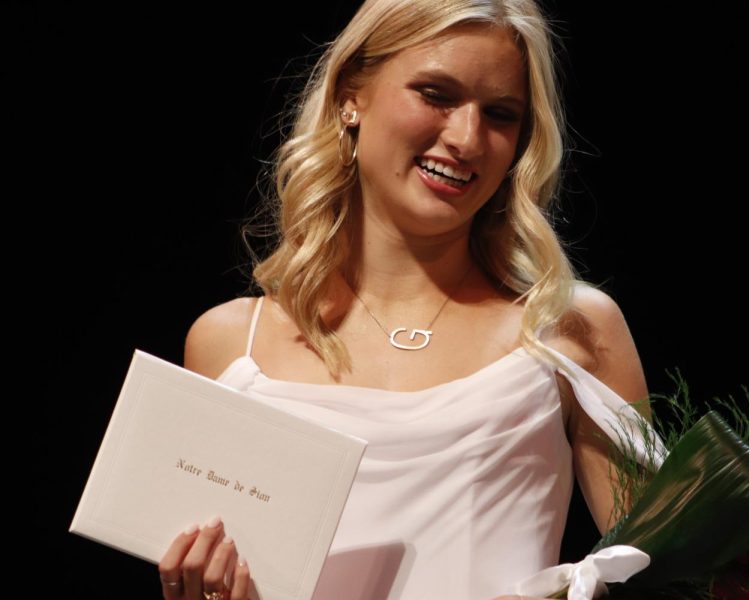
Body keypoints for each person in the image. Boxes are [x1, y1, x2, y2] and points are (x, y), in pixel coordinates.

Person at [157, 1, 653, 598]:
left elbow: (669, 572)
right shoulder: (228, 344)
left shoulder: (568, 329)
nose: (468, 138)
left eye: (500, 114)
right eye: (436, 94)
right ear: (351, 96)